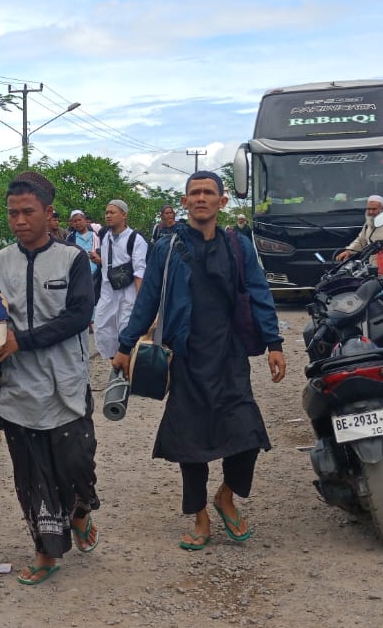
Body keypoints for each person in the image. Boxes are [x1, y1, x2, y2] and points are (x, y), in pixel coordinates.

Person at [113, 172, 287, 551]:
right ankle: (199, 515)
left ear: (222, 202)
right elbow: (148, 300)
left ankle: (226, 496)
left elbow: (258, 292)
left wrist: (274, 341)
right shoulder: (167, 247)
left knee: (247, 433)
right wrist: (126, 345)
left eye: (209, 192)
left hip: (230, 356)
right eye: (195, 193)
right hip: (187, 357)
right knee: (190, 442)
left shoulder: (237, 246)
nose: (201, 198)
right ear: (185, 201)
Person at [0, 174, 99, 585]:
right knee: (32, 477)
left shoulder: (73, 260)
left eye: (28, 212)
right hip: (17, 391)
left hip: (65, 386)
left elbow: (79, 316)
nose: (19, 221)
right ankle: (45, 551)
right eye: (13, 213)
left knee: (77, 467)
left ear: (48, 213)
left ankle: (80, 513)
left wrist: (20, 341)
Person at [92, 199, 147, 360]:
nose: (108, 216)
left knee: (126, 331)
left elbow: (139, 272)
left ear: (123, 215)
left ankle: (128, 374)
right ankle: (116, 367)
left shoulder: (136, 239)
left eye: (112, 212)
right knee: (102, 330)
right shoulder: (104, 236)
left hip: (128, 294)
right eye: (106, 212)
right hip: (108, 292)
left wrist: (141, 303)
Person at [336, 194, 383, 261]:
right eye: (369, 209)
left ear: (382, 208)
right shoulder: (368, 224)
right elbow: (361, 241)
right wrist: (348, 251)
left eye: (374, 209)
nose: (371, 212)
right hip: (373, 265)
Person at [67, 209, 102, 302]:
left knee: (95, 300)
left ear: (85, 220)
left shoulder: (96, 235)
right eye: (75, 221)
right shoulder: (70, 238)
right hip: (79, 274)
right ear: (72, 223)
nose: (78, 223)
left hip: (96, 273)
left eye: (80, 220)